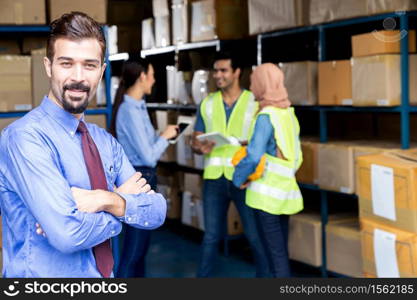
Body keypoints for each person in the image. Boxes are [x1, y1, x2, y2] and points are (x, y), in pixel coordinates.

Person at [0, 12, 166, 278]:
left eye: (89, 65)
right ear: (48, 66)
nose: (78, 77)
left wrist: (103, 198)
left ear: (101, 71)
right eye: (66, 63)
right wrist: (122, 206)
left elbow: (157, 211)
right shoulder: (25, 138)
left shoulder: (105, 143)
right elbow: (67, 234)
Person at [191, 51, 269, 277]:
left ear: (236, 72)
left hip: (244, 177)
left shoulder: (253, 102)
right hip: (214, 179)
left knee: (255, 236)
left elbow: (262, 139)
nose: (218, 75)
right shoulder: (207, 103)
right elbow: (197, 138)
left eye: (223, 70)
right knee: (211, 236)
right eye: (216, 71)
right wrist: (198, 146)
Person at [232, 63, 304, 277]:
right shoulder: (288, 114)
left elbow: (254, 156)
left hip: (265, 198)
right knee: (280, 252)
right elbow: (296, 155)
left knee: (273, 257)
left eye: (254, 81)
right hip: (285, 193)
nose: (251, 85)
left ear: (263, 84)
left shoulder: (266, 116)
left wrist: (238, 178)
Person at [110, 60, 178, 278]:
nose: (154, 79)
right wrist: (165, 137)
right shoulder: (129, 110)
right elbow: (148, 156)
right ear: (142, 77)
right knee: (134, 249)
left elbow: (147, 146)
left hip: (145, 177)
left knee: (140, 249)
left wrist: (161, 137)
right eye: (152, 74)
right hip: (139, 178)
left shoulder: (139, 106)